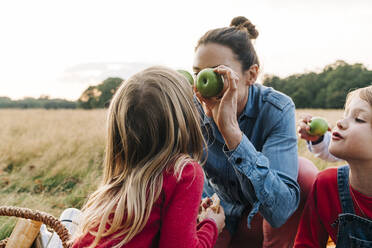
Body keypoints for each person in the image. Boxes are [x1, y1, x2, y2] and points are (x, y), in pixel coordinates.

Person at [192, 16, 318, 248]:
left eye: (218, 72)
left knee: (305, 173)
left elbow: (281, 211)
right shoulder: (191, 107)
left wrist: (232, 133)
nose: (203, 82)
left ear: (252, 75)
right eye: (198, 73)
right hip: (217, 209)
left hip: (263, 214)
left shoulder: (276, 108)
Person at [71, 66, 225, 248]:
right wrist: (211, 225)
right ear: (185, 119)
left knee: (70, 215)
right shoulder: (184, 171)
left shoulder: (117, 187)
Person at [294, 85, 372, 247]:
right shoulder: (326, 184)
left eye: (359, 119)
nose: (340, 122)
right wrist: (317, 140)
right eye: (345, 115)